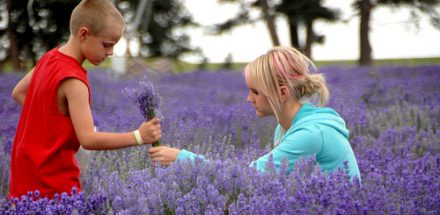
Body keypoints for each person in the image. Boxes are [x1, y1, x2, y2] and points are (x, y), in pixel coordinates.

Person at [8, 0, 161, 200]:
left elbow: (18, 92)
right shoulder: (74, 80)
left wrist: (52, 124)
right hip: (54, 183)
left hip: (24, 174)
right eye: (106, 45)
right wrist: (139, 136)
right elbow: (88, 139)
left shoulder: (49, 58)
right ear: (84, 34)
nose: (110, 52)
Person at [149, 46, 361, 181]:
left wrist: (182, 158)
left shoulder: (311, 134)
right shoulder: (287, 126)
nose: (249, 99)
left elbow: (247, 178)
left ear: (282, 93)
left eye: (256, 92)